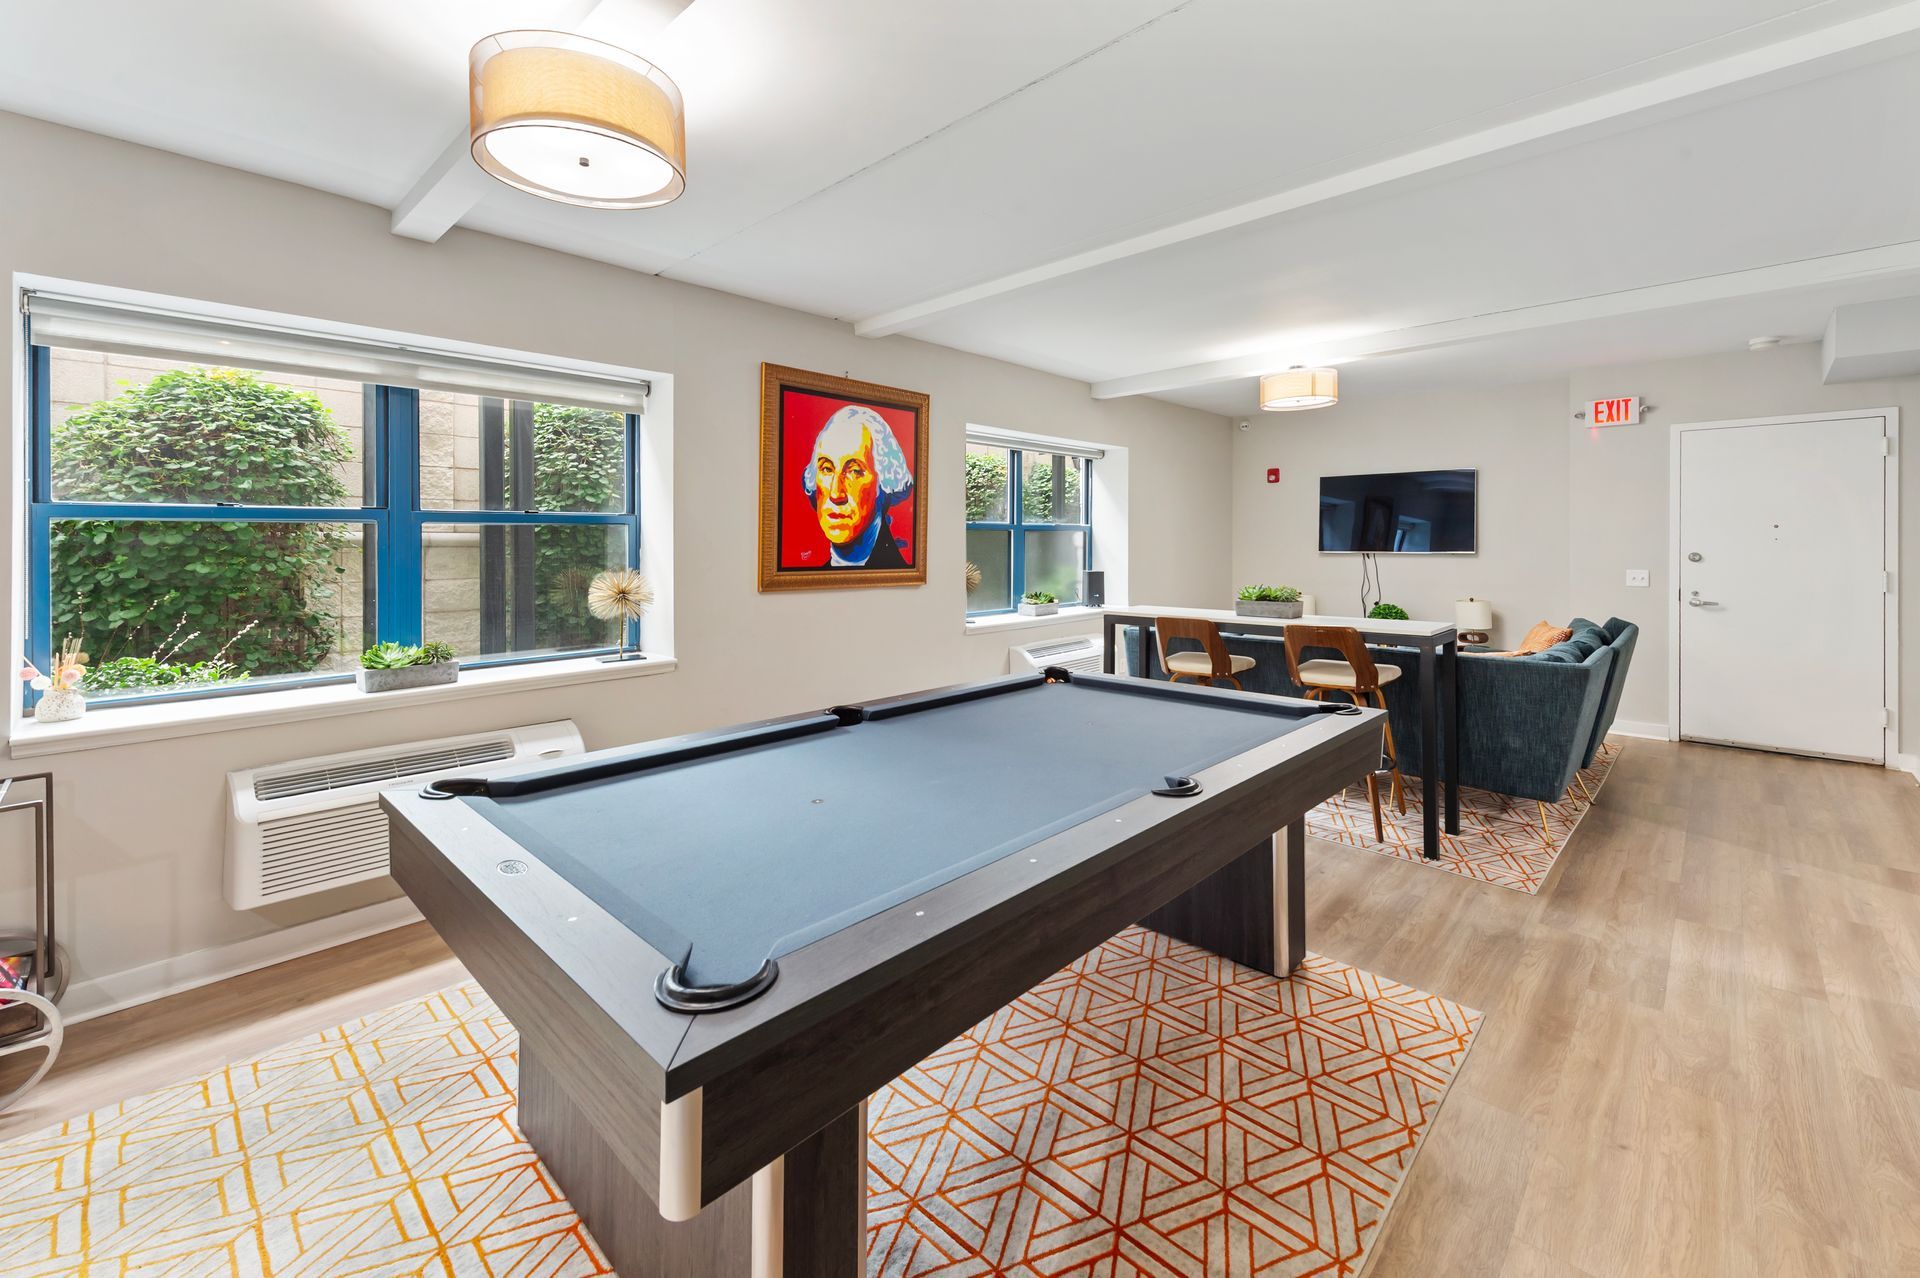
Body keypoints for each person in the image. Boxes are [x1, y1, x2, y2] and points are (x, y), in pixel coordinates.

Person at [801, 405, 913, 568]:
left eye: (854, 471)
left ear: (884, 483)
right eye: (827, 469)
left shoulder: (902, 575)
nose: (836, 493)